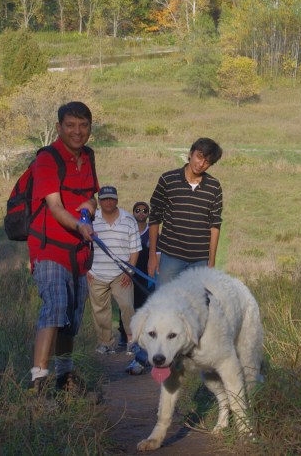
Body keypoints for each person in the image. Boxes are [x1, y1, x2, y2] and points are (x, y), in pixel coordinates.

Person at [26, 101, 99, 395]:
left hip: (79, 253)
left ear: (90, 128)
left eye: (83, 126)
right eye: (70, 125)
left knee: (71, 319)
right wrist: (80, 225)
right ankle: (38, 382)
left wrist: (90, 206)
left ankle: (64, 378)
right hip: (49, 249)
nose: (77, 132)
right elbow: (55, 207)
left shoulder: (88, 157)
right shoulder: (47, 158)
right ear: (59, 127)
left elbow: (92, 196)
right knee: (55, 306)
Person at [147, 138, 223, 288]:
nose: (201, 164)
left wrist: (211, 261)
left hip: (200, 261)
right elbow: (154, 217)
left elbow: (215, 225)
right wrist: (152, 255)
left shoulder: (214, 187)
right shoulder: (168, 180)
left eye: (207, 162)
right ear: (190, 154)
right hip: (170, 257)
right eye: (199, 157)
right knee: (165, 300)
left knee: (195, 302)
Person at [87, 185, 141, 358]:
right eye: (104, 199)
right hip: (96, 274)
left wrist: (129, 271)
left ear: (117, 200)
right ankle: (105, 343)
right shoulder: (90, 220)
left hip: (121, 274)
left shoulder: (128, 219)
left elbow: (135, 249)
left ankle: (132, 341)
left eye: (111, 198)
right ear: (99, 201)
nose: (108, 202)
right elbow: (84, 246)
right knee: (100, 311)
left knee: (127, 307)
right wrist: (87, 269)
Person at [120, 200, 153, 375]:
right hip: (127, 274)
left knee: (141, 307)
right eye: (138, 210)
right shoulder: (128, 230)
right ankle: (124, 336)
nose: (141, 213)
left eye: (144, 210)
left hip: (145, 276)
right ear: (133, 213)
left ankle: (140, 340)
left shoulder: (152, 233)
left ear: (148, 214)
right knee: (125, 304)